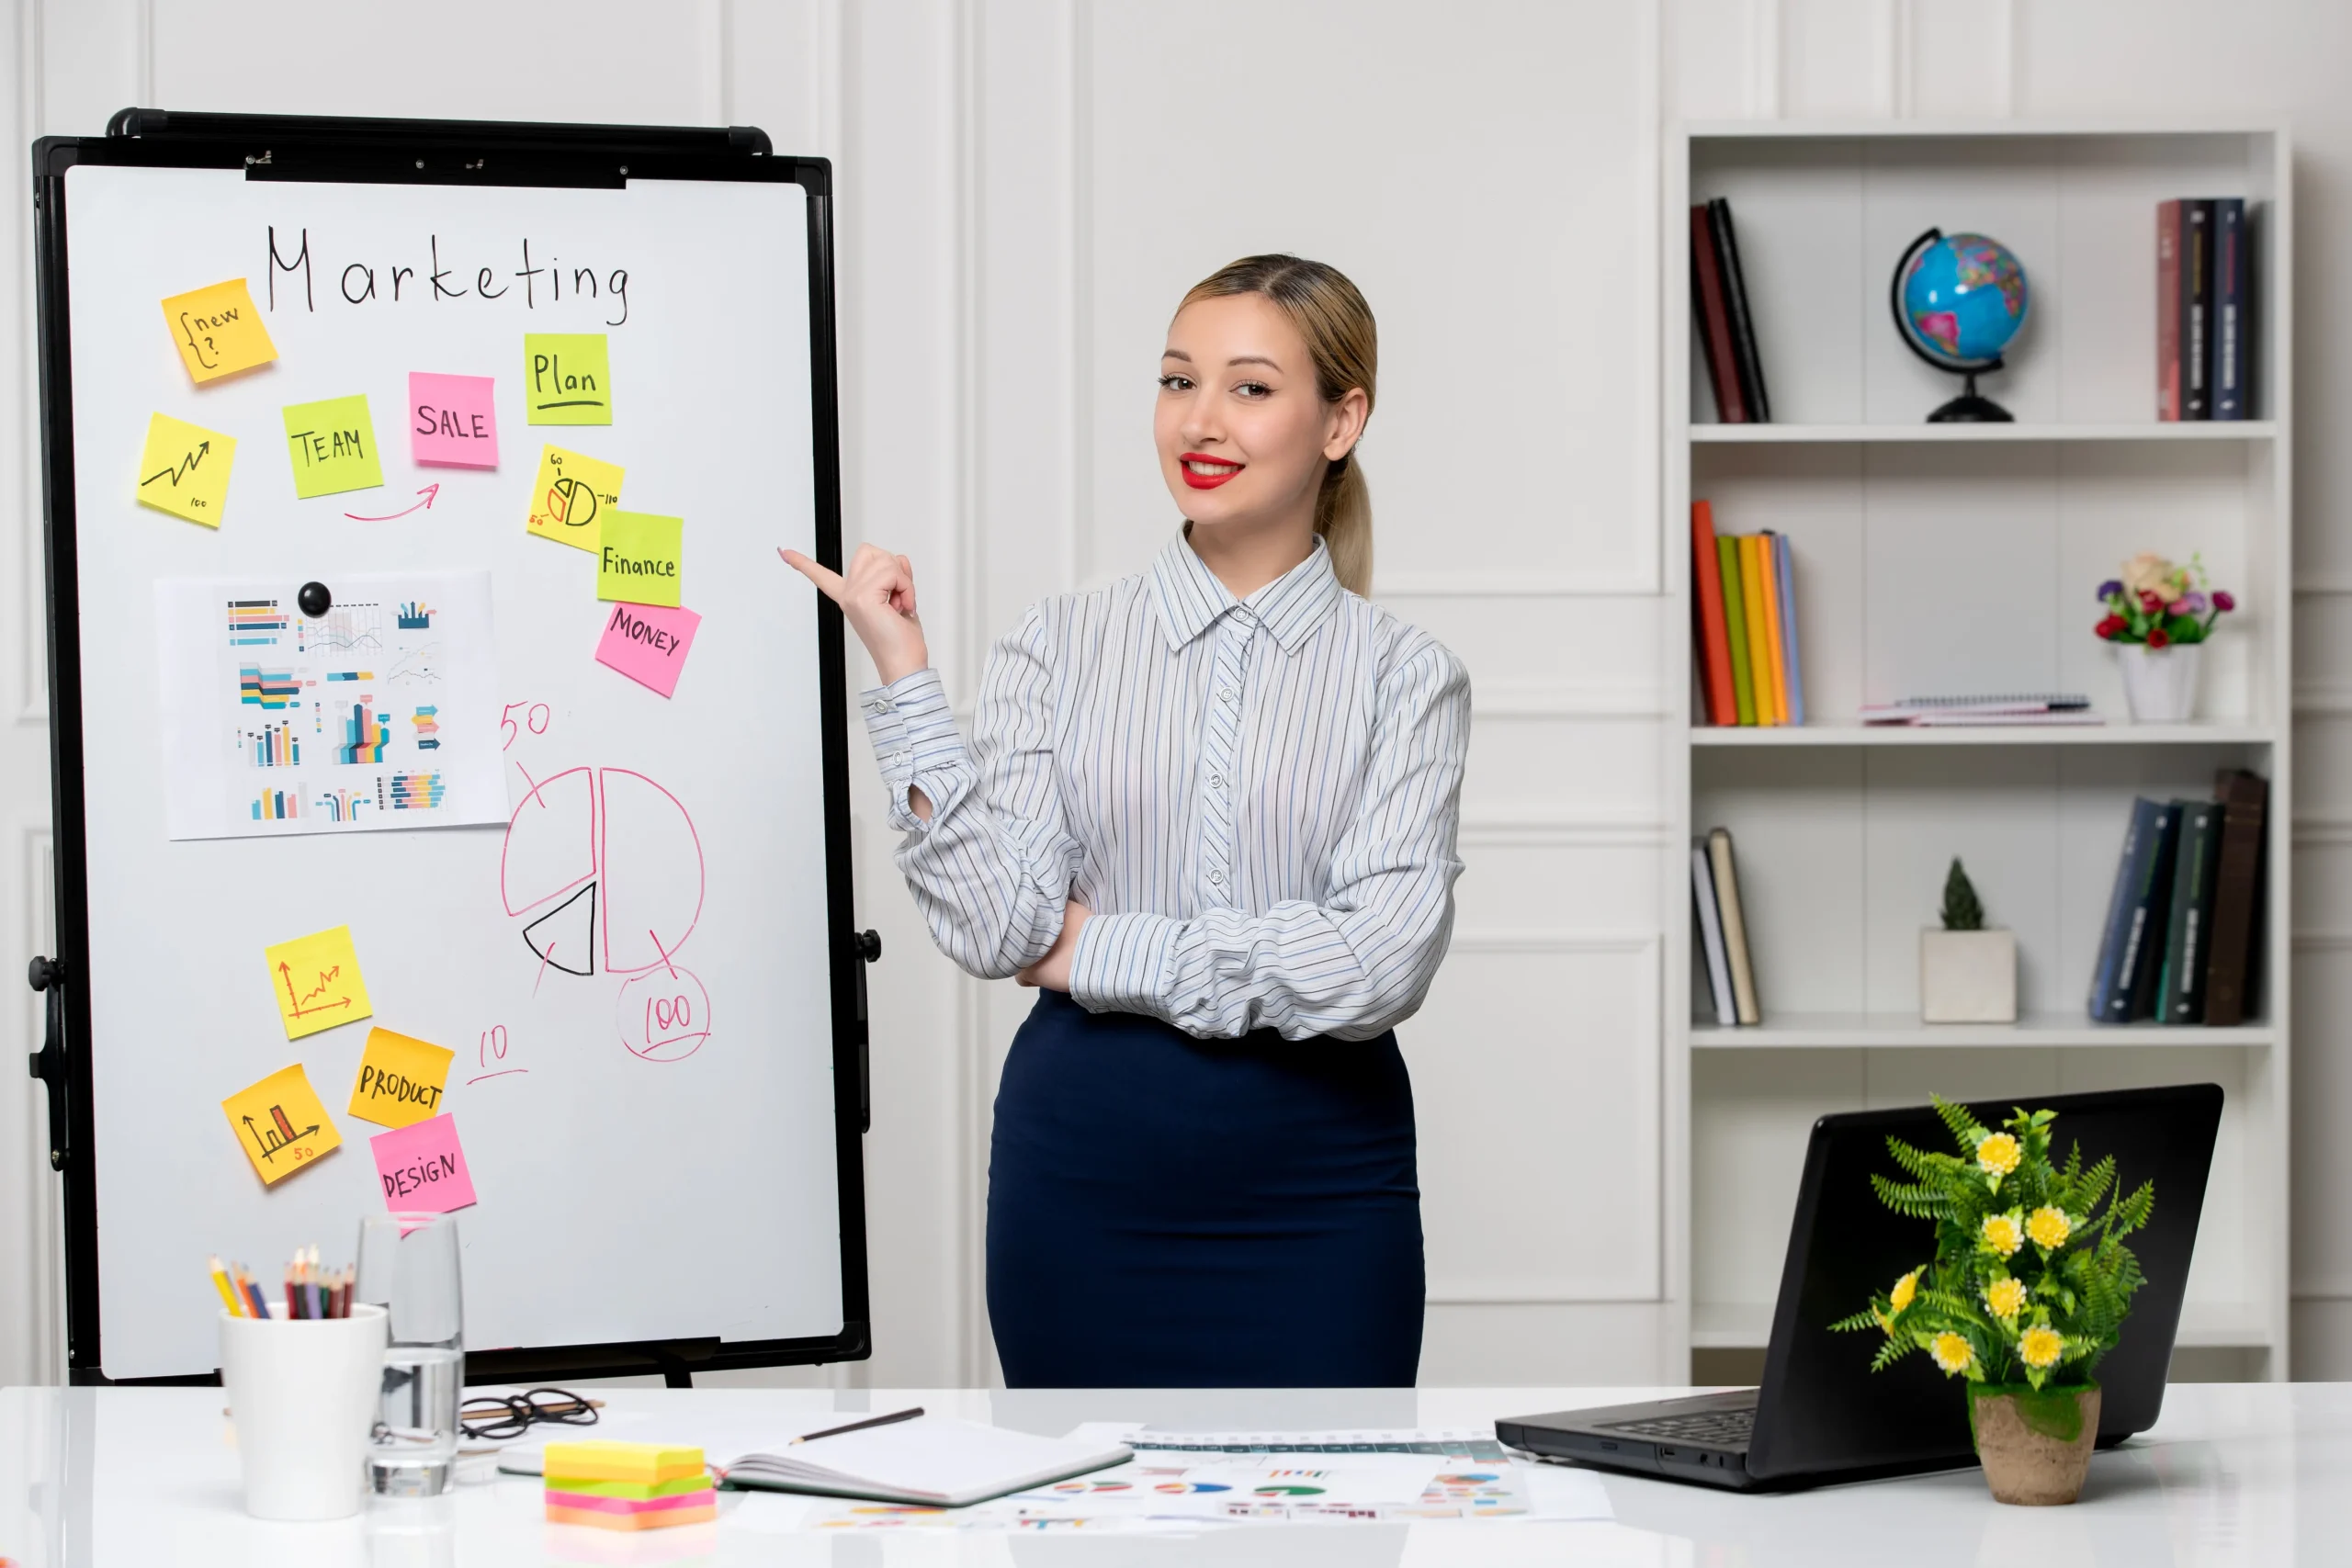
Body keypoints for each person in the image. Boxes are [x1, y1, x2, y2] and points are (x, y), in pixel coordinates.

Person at [783, 254, 1470, 1387]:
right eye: (1175, 380)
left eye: (1249, 387)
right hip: (1083, 1178)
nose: (1199, 421)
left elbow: (1377, 965)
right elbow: (1001, 930)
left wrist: (1093, 948)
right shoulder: (1057, 642)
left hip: (1318, 1190)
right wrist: (904, 674)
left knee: (1323, 1527)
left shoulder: (1406, 677)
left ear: (1341, 419)